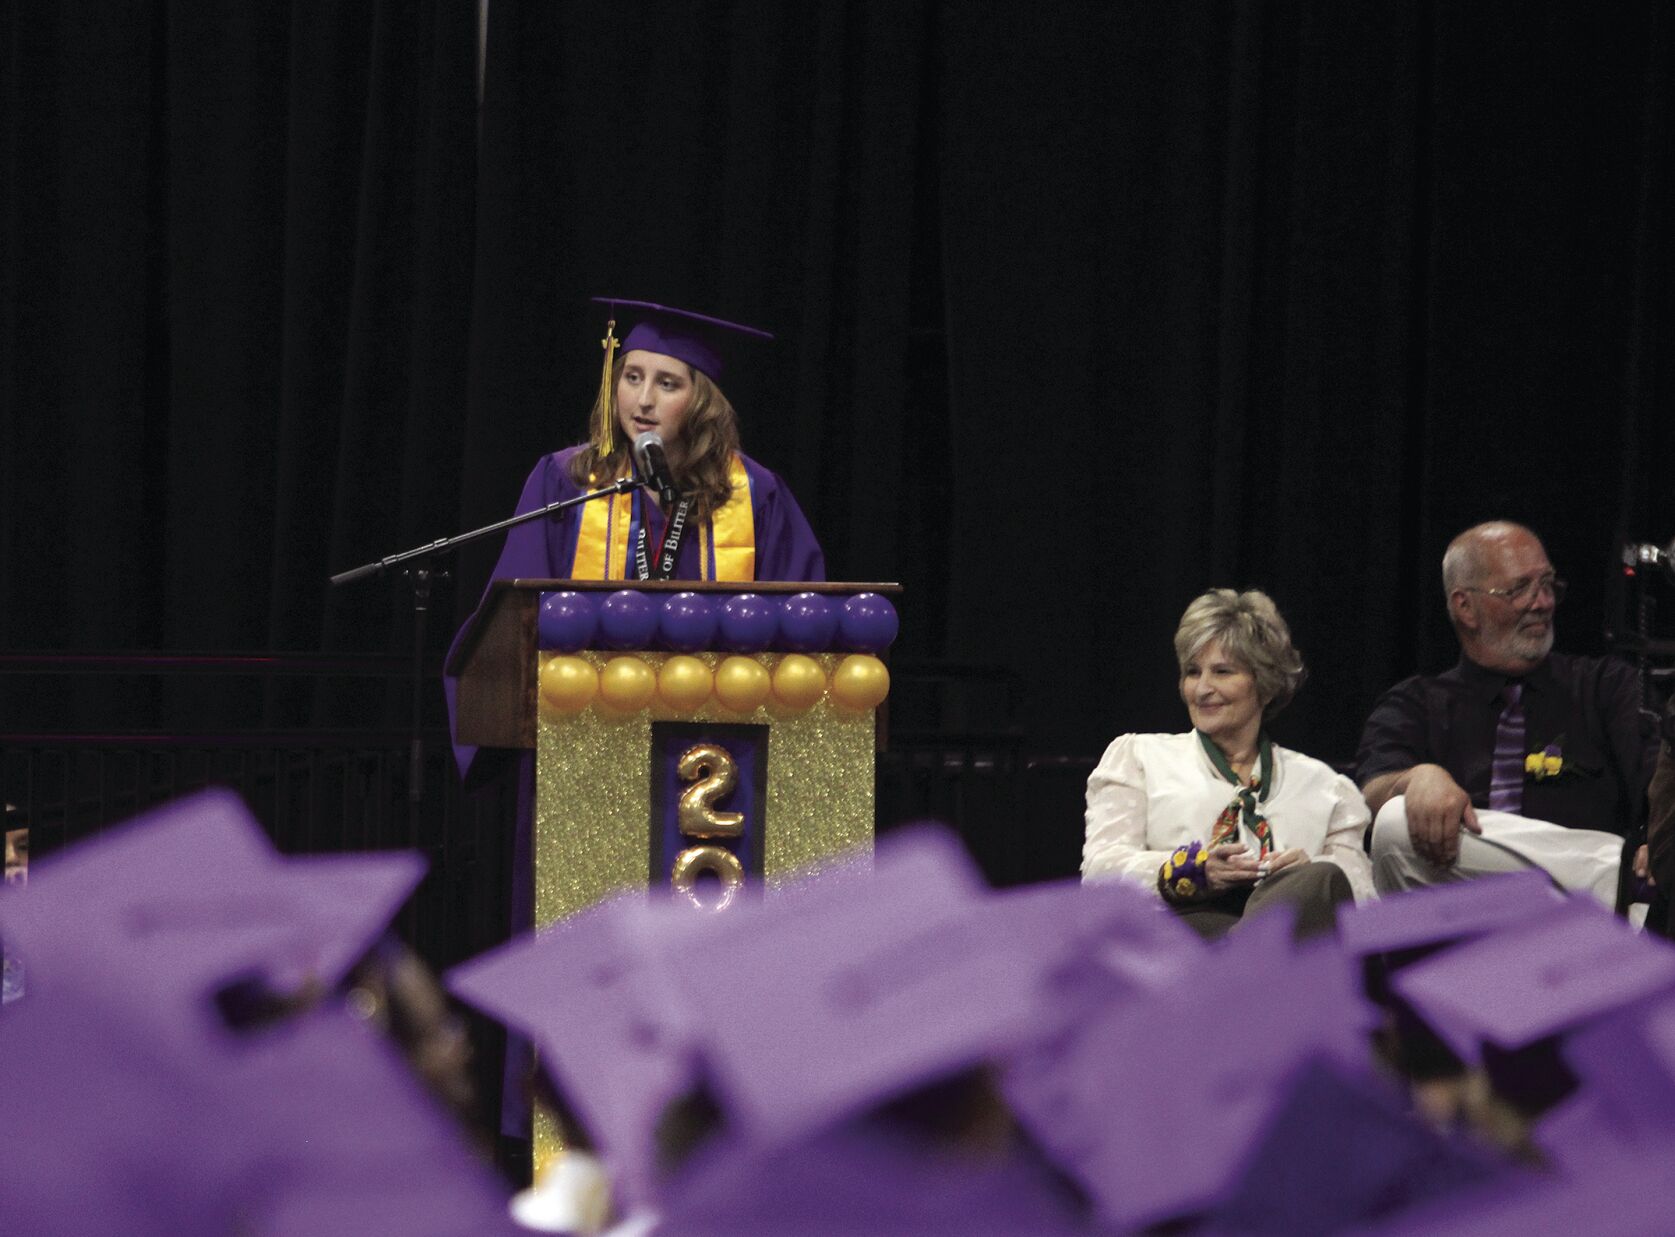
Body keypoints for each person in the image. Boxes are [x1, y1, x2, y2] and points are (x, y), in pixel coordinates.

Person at [446, 297, 827, 785]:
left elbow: (803, 619)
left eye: (667, 384)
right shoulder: (566, 481)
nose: (643, 400)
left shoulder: (755, 494)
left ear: (702, 401)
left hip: (720, 743)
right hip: (582, 736)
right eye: (632, 377)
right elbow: (516, 614)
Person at [1356, 520, 1658, 908]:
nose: (1543, 602)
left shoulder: (1604, 686)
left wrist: (1658, 837)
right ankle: (1610, 877)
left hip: (1578, 926)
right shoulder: (1415, 702)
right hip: (1455, 915)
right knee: (1394, 822)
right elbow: (1368, 798)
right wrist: (1416, 779)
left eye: (1547, 584)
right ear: (1464, 606)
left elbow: (1659, 777)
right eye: (1520, 589)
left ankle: (1611, 884)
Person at [1082, 589, 1374, 939]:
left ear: (1265, 685)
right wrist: (1191, 872)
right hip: (1173, 945)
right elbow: (1100, 876)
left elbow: (1364, 906)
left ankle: (1241, 965)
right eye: (1192, 672)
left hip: (1288, 955)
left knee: (1320, 878)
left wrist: (1305, 885)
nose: (1202, 688)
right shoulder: (1140, 758)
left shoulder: (1327, 788)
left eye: (1222, 671)